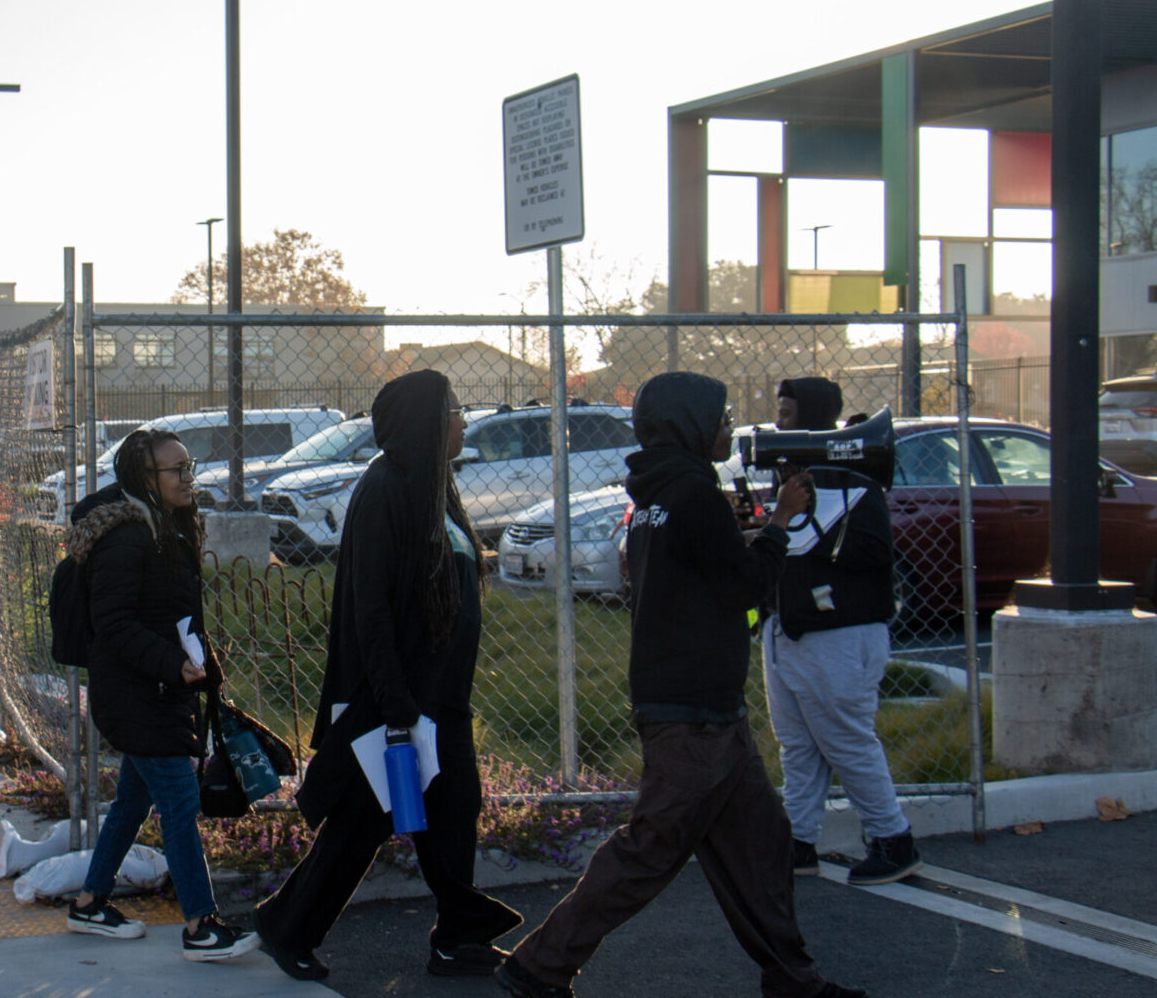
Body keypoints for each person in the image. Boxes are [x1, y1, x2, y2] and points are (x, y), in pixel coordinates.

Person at [496, 372, 861, 998]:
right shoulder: (694, 494)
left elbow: (699, 573)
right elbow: (746, 586)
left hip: (702, 705)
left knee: (761, 845)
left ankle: (793, 978)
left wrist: (751, 536)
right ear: (691, 424)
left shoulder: (655, 495)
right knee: (650, 849)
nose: (727, 428)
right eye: (719, 418)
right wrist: (780, 523)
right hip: (695, 714)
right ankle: (539, 966)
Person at [255, 371, 521, 981]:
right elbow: (368, 607)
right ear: (427, 421)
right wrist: (397, 700)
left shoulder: (434, 486)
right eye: (454, 410)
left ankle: (457, 940)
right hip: (397, 702)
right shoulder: (384, 489)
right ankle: (287, 926)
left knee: (454, 813)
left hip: (440, 700)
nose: (462, 420)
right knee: (363, 821)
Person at [61, 429, 261, 963]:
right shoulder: (128, 538)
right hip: (136, 694)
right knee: (179, 802)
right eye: (176, 470)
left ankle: (89, 902)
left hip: (161, 689)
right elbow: (115, 625)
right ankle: (200, 925)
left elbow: (172, 616)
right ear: (144, 479)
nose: (188, 477)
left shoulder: (167, 528)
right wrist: (175, 664)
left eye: (188, 465)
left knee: (133, 800)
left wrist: (199, 662)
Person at [766, 378, 916, 886]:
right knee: (799, 745)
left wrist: (806, 526)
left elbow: (873, 555)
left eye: (787, 413)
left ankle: (893, 839)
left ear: (811, 416)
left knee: (847, 741)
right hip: (791, 632)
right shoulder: (797, 480)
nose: (778, 423)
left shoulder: (855, 483)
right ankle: (799, 842)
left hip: (839, 635)